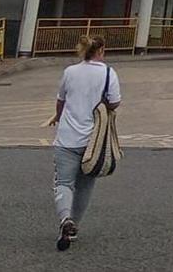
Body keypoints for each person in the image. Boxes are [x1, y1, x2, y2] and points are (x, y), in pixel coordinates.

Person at [47, 36, 121, 251]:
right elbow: (115, 102)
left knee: (64, 182)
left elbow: (61, 100)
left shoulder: (70, 72)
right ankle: (74, 227)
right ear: (102, 51)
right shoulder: (108, 73)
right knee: (86, 185)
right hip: (94, 141)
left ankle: (65, 219)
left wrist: (58, 117)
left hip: (67, 137)